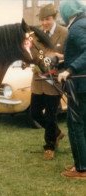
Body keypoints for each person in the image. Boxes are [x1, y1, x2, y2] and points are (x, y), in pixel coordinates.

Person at [30, 3, 67, 160]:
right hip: (38, 80)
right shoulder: (35, 34)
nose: (44, 22)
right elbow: (31, 53)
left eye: (48, 19)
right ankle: (57, 133)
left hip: (54, 81)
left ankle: (49, 145)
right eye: (42, 19)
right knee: (35, 114)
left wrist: (60, 60)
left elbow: (69, 56)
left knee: (51, 115)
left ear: (54, 18)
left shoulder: (64, 33)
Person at [57, 0, 86, 179]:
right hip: (82, 85)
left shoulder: (76, 27)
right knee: (83, 124)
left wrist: (69, 69)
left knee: (75, 125)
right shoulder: (83, 23)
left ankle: (81, 168)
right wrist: (61, 63)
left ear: (68, 12)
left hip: (79, 85)